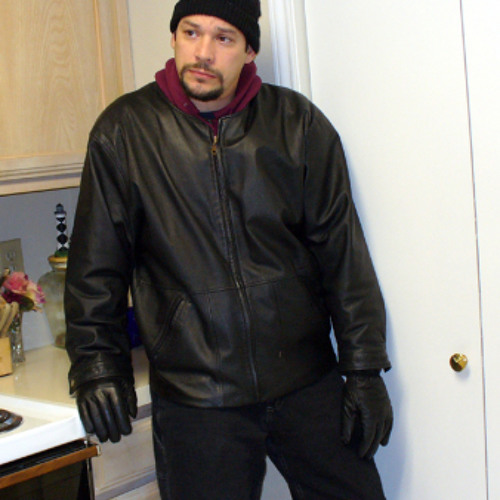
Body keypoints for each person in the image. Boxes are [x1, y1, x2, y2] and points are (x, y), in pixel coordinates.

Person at [65, 1, 393, 498]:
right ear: (173, 37)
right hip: (197, 398)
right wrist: (96, 366)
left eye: (223, 38)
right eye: (191, 32)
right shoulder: (124, 132)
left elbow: (342, 253)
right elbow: (96, 267)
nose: (203, 52)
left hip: (306, 380)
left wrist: (364, 368)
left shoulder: (297, 123)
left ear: (249, 50)